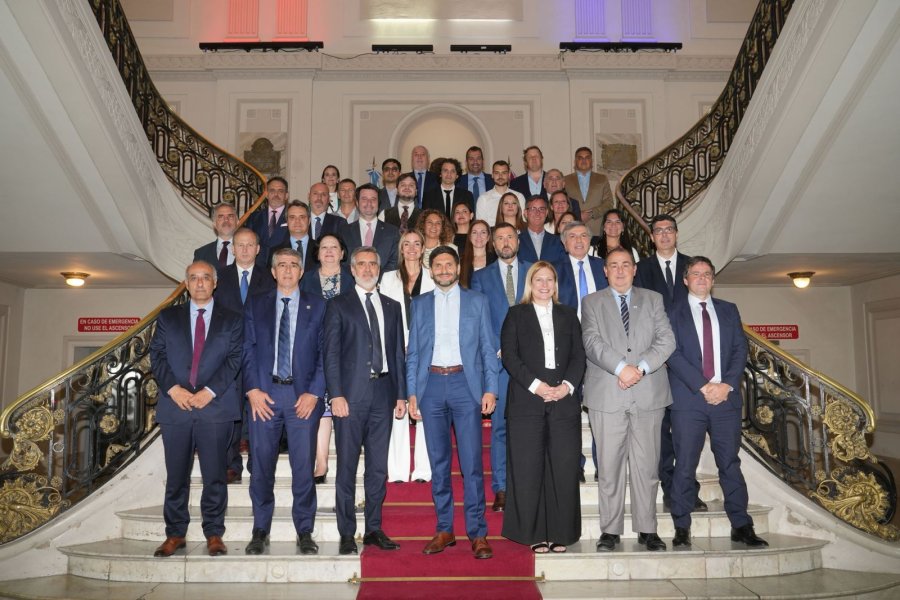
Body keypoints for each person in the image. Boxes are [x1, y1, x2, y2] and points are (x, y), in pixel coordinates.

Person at [666, 256, 768, 549]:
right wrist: (702, 385)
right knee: (685, 464)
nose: (701, 278)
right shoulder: (672, 312)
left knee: (730, 463)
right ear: (685, 280)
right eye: (695, 274)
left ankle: (741, 524)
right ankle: (682, 525)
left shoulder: (728, 310)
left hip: (726, 400)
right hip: (689, 400)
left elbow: (740, 349)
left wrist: (727, 385)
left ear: (713, 279)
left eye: (707, 274)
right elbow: (672, 354)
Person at [406, 246, 499, 559]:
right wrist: (412, 392)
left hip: (465, 386)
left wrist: (491, 389)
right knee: (439, 463)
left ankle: (478, 533)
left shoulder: (477, 301)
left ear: (458, 267)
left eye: (449, 264)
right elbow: (413, 353)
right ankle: (444, 528)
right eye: (438, 265)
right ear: (430, 270)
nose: (444, 269)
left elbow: (488, 348)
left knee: (472, 465)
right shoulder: (418, 304)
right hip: (430, 386)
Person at [581, 246, 675, 553]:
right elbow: (592, 342)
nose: (620, 270)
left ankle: (648, 529)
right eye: (613, 266)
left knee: (647, 467)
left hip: (648, 393)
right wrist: (622, 369)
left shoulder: (653, 299)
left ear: (634, 269)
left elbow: (667, 340)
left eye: (625, 265)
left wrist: (641, 369)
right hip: (607, 394)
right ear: (605, 271)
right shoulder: (591, 302)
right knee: (609, 466)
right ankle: (610, 530)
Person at [149, 260, 243, 558]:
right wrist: (173, 389)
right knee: (177, 475)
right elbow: (157, 356)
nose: (200, 283)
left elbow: (235, 359)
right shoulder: (168, 318)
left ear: (215, 283)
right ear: (186, 283)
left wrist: (209, 391)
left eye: (205, 278)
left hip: (215, 407)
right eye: (194, 278)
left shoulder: (232, 319)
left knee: (215, 475)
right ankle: (175, 533)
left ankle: (214, 532)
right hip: (175, 407)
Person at [242, 248, 327, 556]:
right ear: (274, 272)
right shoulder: (256, 304)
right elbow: (247, 349)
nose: (288, 270)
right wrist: (252, 389)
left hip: (302, 397)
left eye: (294, 265)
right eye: (282, 265)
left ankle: (304, 530)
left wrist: (314, 392)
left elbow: (324, 353)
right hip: (264, 395)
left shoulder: (317, 306)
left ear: (301, 271)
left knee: (303, 468)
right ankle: (260, 529)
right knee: (261, 467)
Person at [323, 246, 407, 555]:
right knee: (346, 466)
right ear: (352, 270)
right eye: (362, 264)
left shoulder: (393, 306)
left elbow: (398, 354)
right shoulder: (338, 305)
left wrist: (400, 394)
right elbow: (329, 355)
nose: (369, 268)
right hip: (350, 398)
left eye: (373, 263)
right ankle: (347, 532)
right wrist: (336, 395)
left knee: (377, 468)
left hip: (384, 395)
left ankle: (373, 528)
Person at [501, 262, 585, 554]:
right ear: (530, 283)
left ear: (556, 284)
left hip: (564, 401)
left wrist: (567, 386)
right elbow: (510, 357)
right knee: (528, 469)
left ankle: (560, 532)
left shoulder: (568, 314)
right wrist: (537, 386)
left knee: (562, 468)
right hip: (527, 401)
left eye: (550, 279)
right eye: (539, 279)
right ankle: (532, 533)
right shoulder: (516, 314)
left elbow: (579, 355)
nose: (545, 284)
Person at [635, 214, 706, 513]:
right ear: (651, 237)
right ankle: (669, 488)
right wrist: (653, 357)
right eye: (658, 231)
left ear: (676, 234)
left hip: (689, 365)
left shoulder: (693, 266)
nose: (664, 235)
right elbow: (639, 315)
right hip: (658, 363)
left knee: (687, 434)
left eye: (669, 230)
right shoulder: (643, 270)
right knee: (662, 433)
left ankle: (688, 490)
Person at [470, 222, 532, 513]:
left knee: (532, 426)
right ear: (493, 245)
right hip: (498, 364)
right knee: (500, 428)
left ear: (518, 240)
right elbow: (481, 320)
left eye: (509, 237)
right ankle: (503, 489)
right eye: (499, 239)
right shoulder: (481, 277)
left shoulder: (535, 270)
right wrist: (503, 349)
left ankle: (529, 485)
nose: (505, 242)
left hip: (534, 365)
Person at [213, 227, 275, 481]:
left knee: (258, 411)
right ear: (233, 248)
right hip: (227, 355)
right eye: (240, 245)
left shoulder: (270, 277)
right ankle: (231, 464)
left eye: (251, 245)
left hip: (260, 355)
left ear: (258, 249)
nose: (246, 249)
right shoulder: (219, 277)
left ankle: (257, 465)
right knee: (231, 410)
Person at [299, 233, 354, 485]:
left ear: (343, 253)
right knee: (321, 408)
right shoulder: (305, 279)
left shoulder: (353, 278)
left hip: (347, 350)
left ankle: (346, 463)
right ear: (317, 253)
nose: (329, 251)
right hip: (313, 350)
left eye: (335, 247)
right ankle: (320, 462)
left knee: (340, 406)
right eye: (324, 247)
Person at [379, 231, 434, 483]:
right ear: (401, 248)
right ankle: (398, 470)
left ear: (423, 248)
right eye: (407, 244)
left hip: (426, 350)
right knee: (397, 407)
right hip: (394, 349)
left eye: (416, 244)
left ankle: (423, 469)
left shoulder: (434, 276)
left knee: (424, 406)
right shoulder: (388, 278)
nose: (411, 248)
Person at [341, 183, 400, 272]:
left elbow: (395, 262)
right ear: (357, 203)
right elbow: (342, 262)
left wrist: (376, 280)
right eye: (364, 199)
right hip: (352, 284)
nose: (369, 203)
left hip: (382, 284)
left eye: (373, 199)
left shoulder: (392, 232)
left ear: (378, 203)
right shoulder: (344, 232)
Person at [564, 146, 614, 237]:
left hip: (596, 229)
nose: (584, 160)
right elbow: (563, 203)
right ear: (575, 162)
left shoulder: (602, 179)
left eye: (587, 158)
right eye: (580, 158)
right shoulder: (565, 180)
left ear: (592, 161)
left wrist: (592, 213)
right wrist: (577, 215)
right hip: (573, 229)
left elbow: (609, 203)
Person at [267, 200, 317, 273]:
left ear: (309, 221)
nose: (297, 221)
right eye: (292, 217)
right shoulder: (275, 251)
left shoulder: (319, 248)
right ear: (287, 221)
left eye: (302, 217)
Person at [517, 196, 566, 264]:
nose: (537, 213)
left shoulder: (558, 242)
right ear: (525, 213)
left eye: (541, 209)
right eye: (533, 209)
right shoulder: (516, 241)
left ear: (546, 213)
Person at [474, 161, 525, 226]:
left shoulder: (519, 197)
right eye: (497, 173)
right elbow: (481, 227)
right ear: (492, 175)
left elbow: (522, 223)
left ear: (509, 175)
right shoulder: (483, 199)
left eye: (504, 173)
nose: (500, 176)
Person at [194, 203, 238, 273]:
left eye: (230, 216)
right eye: (221, 217)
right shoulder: (201, 254)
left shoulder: (250, 250)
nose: (226, 220)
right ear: (214, 224)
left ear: (237, 222)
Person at [250, 176, 289, 252]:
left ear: (286, 195)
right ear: (266, 194)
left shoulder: (293, 216)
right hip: (259, 262)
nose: (276, 194)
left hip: (283, 262)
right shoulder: (254, 217)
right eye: (272, 191)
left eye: (280, 191)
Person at [459, 219, 494, 289]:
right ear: (470, 237)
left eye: (483, 232)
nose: (479, 236)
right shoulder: (460, 261)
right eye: (474, 232)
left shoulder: (496, 260)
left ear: (488, 237)